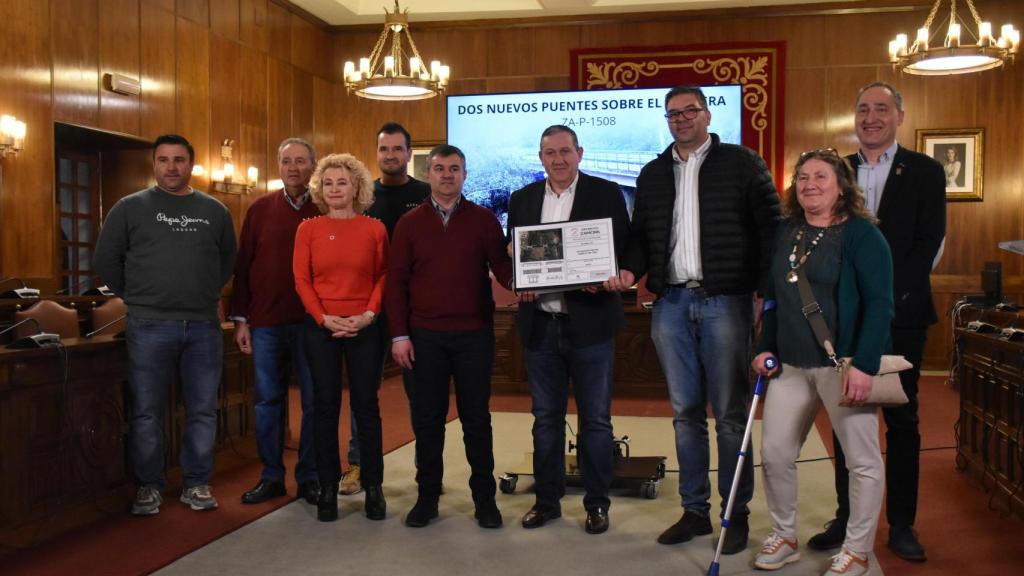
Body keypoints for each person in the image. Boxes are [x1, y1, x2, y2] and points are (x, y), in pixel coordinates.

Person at [604, 85, 780, 553]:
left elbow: (771, 231)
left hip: (727, 301)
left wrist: (767, 293)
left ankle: (734, 514)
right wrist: (630, 270)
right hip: (671, 304)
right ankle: (695, 511)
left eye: (689, 111)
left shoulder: (743, 163)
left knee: (729, 416)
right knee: (685, 414)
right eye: (673, 114)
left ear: (707, 115)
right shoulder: (653, 173)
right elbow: (642, 237)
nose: (681, 119)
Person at [809, 81, 946, 563]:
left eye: (881, 109)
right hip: (843, 322)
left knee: (902, 421)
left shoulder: (925, 171)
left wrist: (883, 300)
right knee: (847, 418)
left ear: (899, 116)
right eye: (863, 108)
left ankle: (902, 524)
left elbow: (928, 242)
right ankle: (846, 517)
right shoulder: (836, 170)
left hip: (903, 315)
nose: (871, 117)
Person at [751, 148, 892, 576]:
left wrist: (865, 365)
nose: (809, 184)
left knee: (862, 462)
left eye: (820, 177)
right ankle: (785, 536)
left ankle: (857, 551)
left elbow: (880, 304)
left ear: (841, 186)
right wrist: (764, 346)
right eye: (803, 177)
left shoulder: (862, 235)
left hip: (844, 365)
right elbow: (774, 296)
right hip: (790, 365)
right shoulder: (788, 231)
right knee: (775, 453)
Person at [94, 134, 237, 515]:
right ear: (154, 164)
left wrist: (203, 291)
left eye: (178, 160)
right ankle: (148, 486)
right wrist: (137, 296)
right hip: (148, 325)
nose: (171, 167)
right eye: (163, 160)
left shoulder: (215, 211)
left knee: (203, 410)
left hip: (203, 326)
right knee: (146, 411)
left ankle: (197, 483)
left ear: (191, 164)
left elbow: (227, 260)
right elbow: (106, 260)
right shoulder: (129, 208)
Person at [506, 125, 630, 534]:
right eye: (550, 153)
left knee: (596, 420)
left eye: (565, 151)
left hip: (591, 323)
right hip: (541, 325)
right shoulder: (522, 199)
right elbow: (515, 254)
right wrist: (519, 278)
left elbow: (624, 247)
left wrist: (612, 273)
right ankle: (547, 501)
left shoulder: (606, 193)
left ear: (580, 153)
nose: (558, 159)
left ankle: (597, 503)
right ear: (540, 157)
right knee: (545, 419)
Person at [386, 144, 513, 529]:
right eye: (439, 168)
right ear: (429, 174)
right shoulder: (409, 224)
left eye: (454, 169)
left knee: (477, 420)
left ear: (464, 175)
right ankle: (427, 498)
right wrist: (399, 335)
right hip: (424, 337)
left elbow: (505, 271)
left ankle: (484, 500)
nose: (446, 175)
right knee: (428, 421)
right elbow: (396, 283)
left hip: (474, 335)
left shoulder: (484, 220)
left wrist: (535, 277)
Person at [293, 153, 389, 522]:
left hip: (365, 326)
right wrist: (323, 318)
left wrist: (368, 315)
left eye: (342, 182)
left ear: (356, 187)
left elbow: (383, 275)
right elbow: (302, 280)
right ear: (320, 189)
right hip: (322, 328)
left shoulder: (375, 229)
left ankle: (374, 487)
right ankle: (328, 488)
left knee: (366, 406)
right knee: (324, 406)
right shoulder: (308, 230)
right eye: (328, 183)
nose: (334, 189)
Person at [340, 122, 431, 497]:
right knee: (363, 392)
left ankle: (427, 471)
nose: (390, 155)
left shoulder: (426, 194)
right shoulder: (363, 196)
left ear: (409, 153)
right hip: (370, 308)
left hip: (413, 309)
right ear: (376, 154)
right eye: (384, 149)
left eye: (397, 149)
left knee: (421, 395)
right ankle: (358, 466)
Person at [232, 138, 322, 506]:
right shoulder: (259, 209)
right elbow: (243, 266)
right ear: (279, 166)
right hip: (267, 322)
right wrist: (241, 320)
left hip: (314, 324)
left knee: (314, 402)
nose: (293, 167)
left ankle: (310, 477)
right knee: (268, 402)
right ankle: (271, 476)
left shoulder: (325, 207)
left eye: (300, 161)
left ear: (313, 165)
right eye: (287, 161)